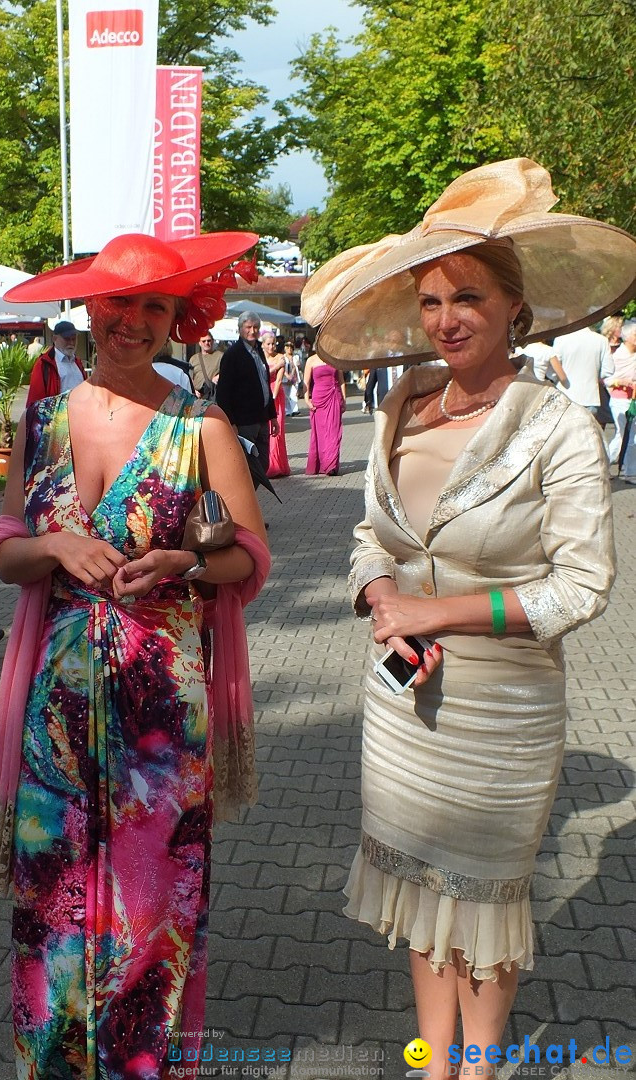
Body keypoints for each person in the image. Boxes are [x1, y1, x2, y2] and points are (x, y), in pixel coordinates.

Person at [301, 158, 633, 1080]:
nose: (448, 318)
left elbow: (582, 588)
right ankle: (429, 1061)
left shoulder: (556, 424)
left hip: (502, 713)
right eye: (434, 299)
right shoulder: (403, 404)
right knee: (414, 893)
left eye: (470, 298)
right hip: (403, 703)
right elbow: (374, 538)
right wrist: (381, 601)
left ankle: (478, 1071)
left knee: (484, 907)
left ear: (514, 309)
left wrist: (432, 607)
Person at [0, 231, 270, 1079]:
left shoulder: (200, 425)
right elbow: (1, 543)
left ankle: (145, 1065)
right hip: (55, 711)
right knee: (52, 897)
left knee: (151, 909)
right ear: (90, 308)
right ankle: (55, 1063)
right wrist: (55, 550)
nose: (130, 321)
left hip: (160, 717)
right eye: (117, 303)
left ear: (179, 318)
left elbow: (249, 555)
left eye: (153, 306)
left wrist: (189, 562)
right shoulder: (43, 420)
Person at [215, 311, 278, 484]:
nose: (252, 331)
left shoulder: (259, 350)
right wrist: (232, 422)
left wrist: (273, 416)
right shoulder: (232, 355)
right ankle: (245, 501)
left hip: (262, 418)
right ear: (240, 329)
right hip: (244, 421)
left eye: (256, 327)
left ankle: (248, 497)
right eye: (248, 327)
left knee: (263, 464)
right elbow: (223, 392)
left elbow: (265, 384)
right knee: (249, 466)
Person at [552, 325, 613, 418]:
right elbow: (609, 370)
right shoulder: (601, 340)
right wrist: (594, 376)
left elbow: (553, 369)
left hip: (565, 395)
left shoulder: (561, 339)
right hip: (590, 396)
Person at [303, 351, 346, 476]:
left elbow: (341, 381)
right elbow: (306, 382)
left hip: (334, 397)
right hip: (319, 399)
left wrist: (344, 399)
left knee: (334, 432)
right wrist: (307, 400)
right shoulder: (311, 360)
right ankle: (322, 463)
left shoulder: (335, 359)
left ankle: (331, 465)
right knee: (321, 433)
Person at [26, 319, 86, 406]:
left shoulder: (78, 363)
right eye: (67, 339)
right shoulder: (44, 364)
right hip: (57, 417)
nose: (71, 343)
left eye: (74, 339)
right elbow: (35, 399)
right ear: (55, 339)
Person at [606, 320, 636, 480]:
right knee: (622, 435)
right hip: (619, 399)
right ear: (627, 337)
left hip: (633, 400)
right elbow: (607, 379)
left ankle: (630, 471)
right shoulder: (618, 355)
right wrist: (621, 382)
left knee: (633, 437)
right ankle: (604, 465)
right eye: (635, 335)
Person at [262, 332, 290, 477]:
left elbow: (278, 380)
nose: (271, 346)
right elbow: (262, 375)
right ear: (263, 345)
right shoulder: (260, 359)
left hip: (275, 395)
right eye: (268, 344)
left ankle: (277, 464)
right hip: (262, 396)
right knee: (265, 429)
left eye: (273, 343)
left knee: (276, 432)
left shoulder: (280, 358)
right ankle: (266, 463)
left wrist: (272, 397)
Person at [189, 331, 224, 398]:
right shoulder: (194, 359)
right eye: (203, 341)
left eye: (209, 340)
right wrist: (194, 391)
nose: (206, 343)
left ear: (213, 341)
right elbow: (191, 378)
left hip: (213, 395)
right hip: (198, 396)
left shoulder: (220, 356)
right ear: (199, 343)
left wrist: (217, 377)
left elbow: (228, 371)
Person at [283, 340, 301, 416]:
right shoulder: (282, 357)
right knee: (286, 395)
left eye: (291, 348)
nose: (289, 349)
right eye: (287, 348)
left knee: (294, 394)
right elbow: (282, 368)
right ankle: (287, 411)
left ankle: (294, 410)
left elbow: (299, 367)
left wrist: (298, 365)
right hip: (285, 378)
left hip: (294, 378)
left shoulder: (296, 357)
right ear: (285, 349)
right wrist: (287, 375)